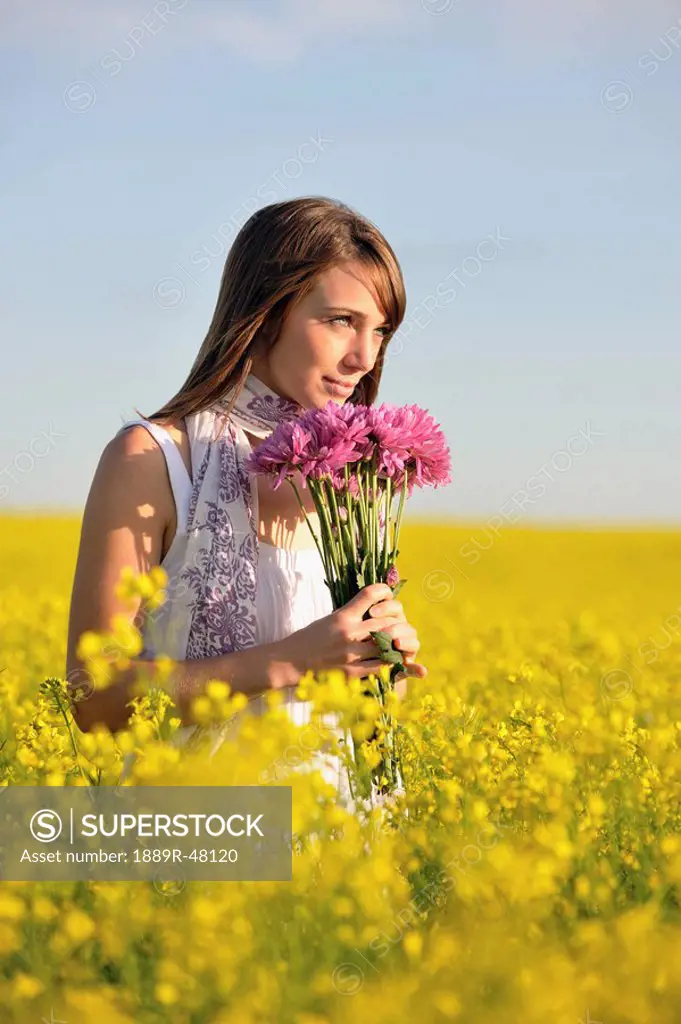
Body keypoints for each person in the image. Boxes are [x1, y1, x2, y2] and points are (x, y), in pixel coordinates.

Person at [65, 195, 427, 807]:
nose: (364, 358)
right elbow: (94, 698)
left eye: (380, 330)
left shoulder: (356, 479)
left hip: (333, 858)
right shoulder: (153, 458)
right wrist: (292, 660)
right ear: (266, 309)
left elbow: (341, 721)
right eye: (341, 320)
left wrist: (378, 667)